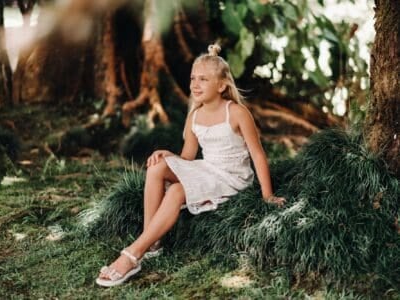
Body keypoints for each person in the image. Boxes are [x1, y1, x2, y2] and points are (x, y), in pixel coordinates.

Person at [96, 44, 286, 287]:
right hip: (208, 169)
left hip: (231, 177)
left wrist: (267, 195)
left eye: (204, 79)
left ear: (221, 85)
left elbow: (258, 155)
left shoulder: (237, 113)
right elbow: (188, 158)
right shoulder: (194, 116)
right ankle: (151, 242)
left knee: (176, 191)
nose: (195, 84)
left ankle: (133, 255)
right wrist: (168, 156)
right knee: (157, 166)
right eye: (193, 78)